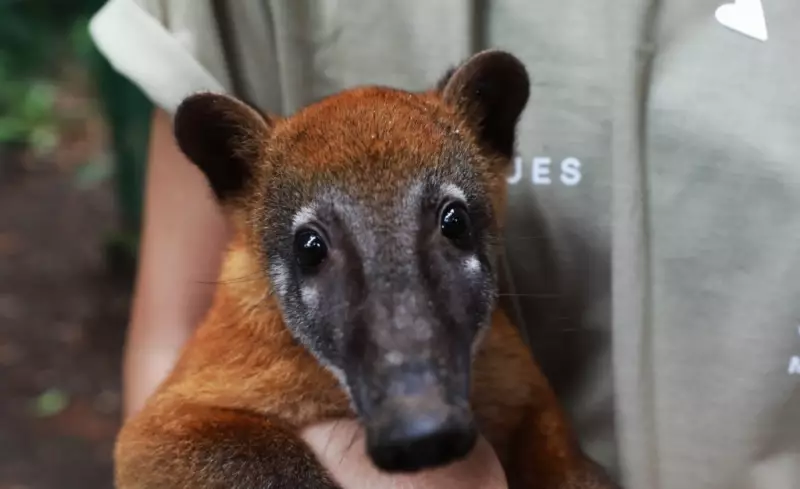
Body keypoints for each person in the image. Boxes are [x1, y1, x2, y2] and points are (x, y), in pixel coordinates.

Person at [88, 1, 800, 488]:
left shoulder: (500, 355)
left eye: (450, 227)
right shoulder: (250, 330)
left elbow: (536, 434)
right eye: (314, 250)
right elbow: (157, 448)